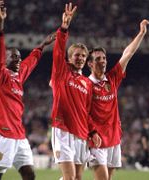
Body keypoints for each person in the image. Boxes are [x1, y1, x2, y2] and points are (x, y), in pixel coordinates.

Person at [0, 1, 55, 179]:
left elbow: (31, 61)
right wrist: (0, 24)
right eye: (14, 57)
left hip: (19, 135)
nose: (18, 60)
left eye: (19, 57)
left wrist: (42, 45)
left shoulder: (19, 75)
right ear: (4, 59)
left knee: (30, 175)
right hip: (3, 134)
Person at [87, 19, 149, 179]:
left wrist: (141, 33)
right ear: (89, 64)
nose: (102, 61)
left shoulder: (112, 78)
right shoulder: (86, 85)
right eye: (98, 59)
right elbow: (82, 113)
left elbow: (127, 54)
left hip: (114, 137)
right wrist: (91, 132)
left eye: (104, 58)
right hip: (96, 140)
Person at [50, 3, 101, 180]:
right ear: (70, 58)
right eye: (76, 55)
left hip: (81, 134)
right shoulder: (61, 72)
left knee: (77, 178)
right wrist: (64, 28)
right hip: (63, 130)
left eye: (83, 56)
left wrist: (93, 132)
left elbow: (86, 112)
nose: (80, 58)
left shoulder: (87, 83)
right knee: (69, 178)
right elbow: (58, 51)